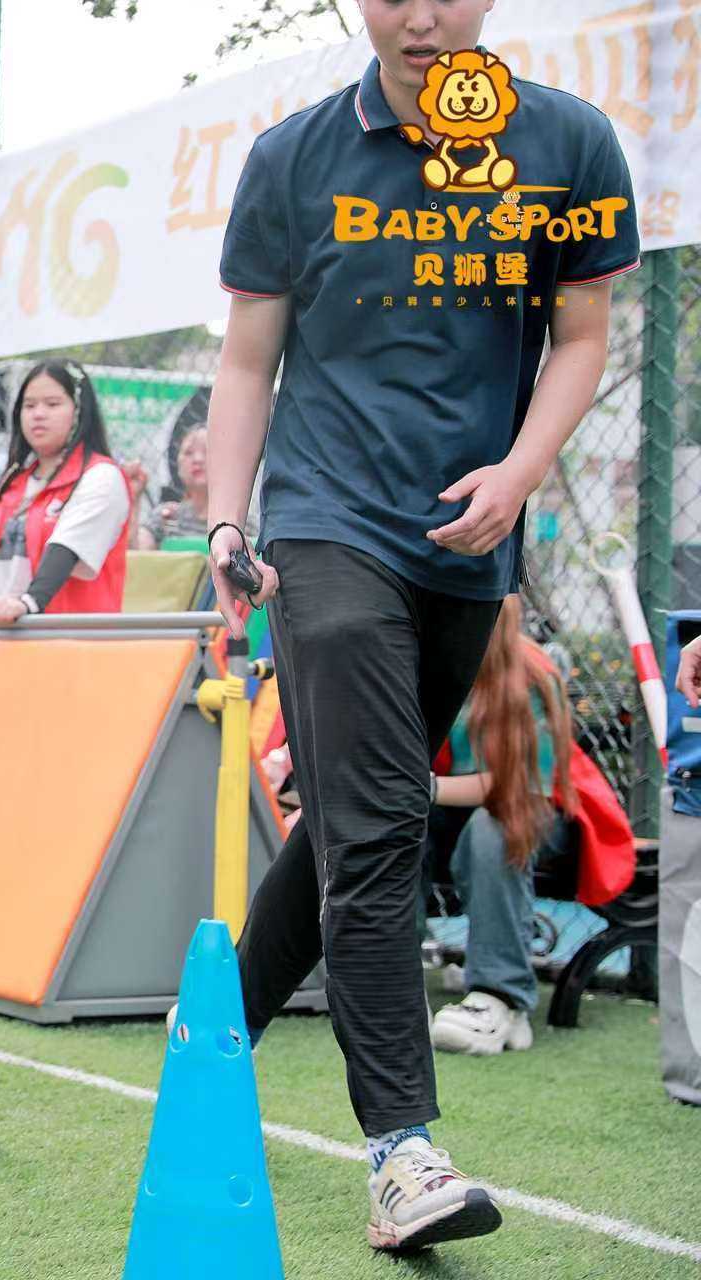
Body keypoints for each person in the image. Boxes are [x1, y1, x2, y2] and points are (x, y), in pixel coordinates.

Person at [205, 0, 637, 1251]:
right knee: (385, 821)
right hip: (322, 523)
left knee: (356, 816)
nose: (425, 14)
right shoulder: (293, 158)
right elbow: (248, 361)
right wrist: (229, 518)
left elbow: (582, 337)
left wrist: (520, 473)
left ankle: (210, 1039)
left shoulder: (568, 145)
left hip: (467, 543)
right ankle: (403, 1149)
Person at [423, 599, 577, 1056]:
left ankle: (500, 998)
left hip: (532, 808)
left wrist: (419, 788)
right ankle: (392, 980)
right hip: (447, 805)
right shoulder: (421, 655)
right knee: (397, 822)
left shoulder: (532, 671)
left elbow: (514, 788)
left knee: (492, 827)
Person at [0, 360, 131, 625]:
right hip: (3, 639)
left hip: (73, 641)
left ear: (80, 412)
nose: (38, 414)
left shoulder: (101, 477)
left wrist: (27, 604)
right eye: (29, 406)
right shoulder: (12, 484)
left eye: (52, 404)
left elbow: (66, 549)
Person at [134, 426, 216, 550]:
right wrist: (134, 499)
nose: (197, 459)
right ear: (178, 466)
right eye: (188, 452)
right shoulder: (166, 517)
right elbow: (137, 551)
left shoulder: (240, 522)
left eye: (208, 451)